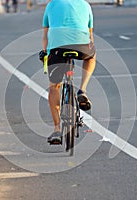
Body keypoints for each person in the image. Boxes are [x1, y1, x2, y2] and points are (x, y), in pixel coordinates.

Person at [39, 0, 96, 144]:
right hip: (82, 46)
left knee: (54, 87)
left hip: (58, 47)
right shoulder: (85, 5)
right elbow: (90, 37)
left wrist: (46, 53)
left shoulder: (51, 5)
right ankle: (82, 90)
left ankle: (57, 129)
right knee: (91, 56)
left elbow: (45, 36)